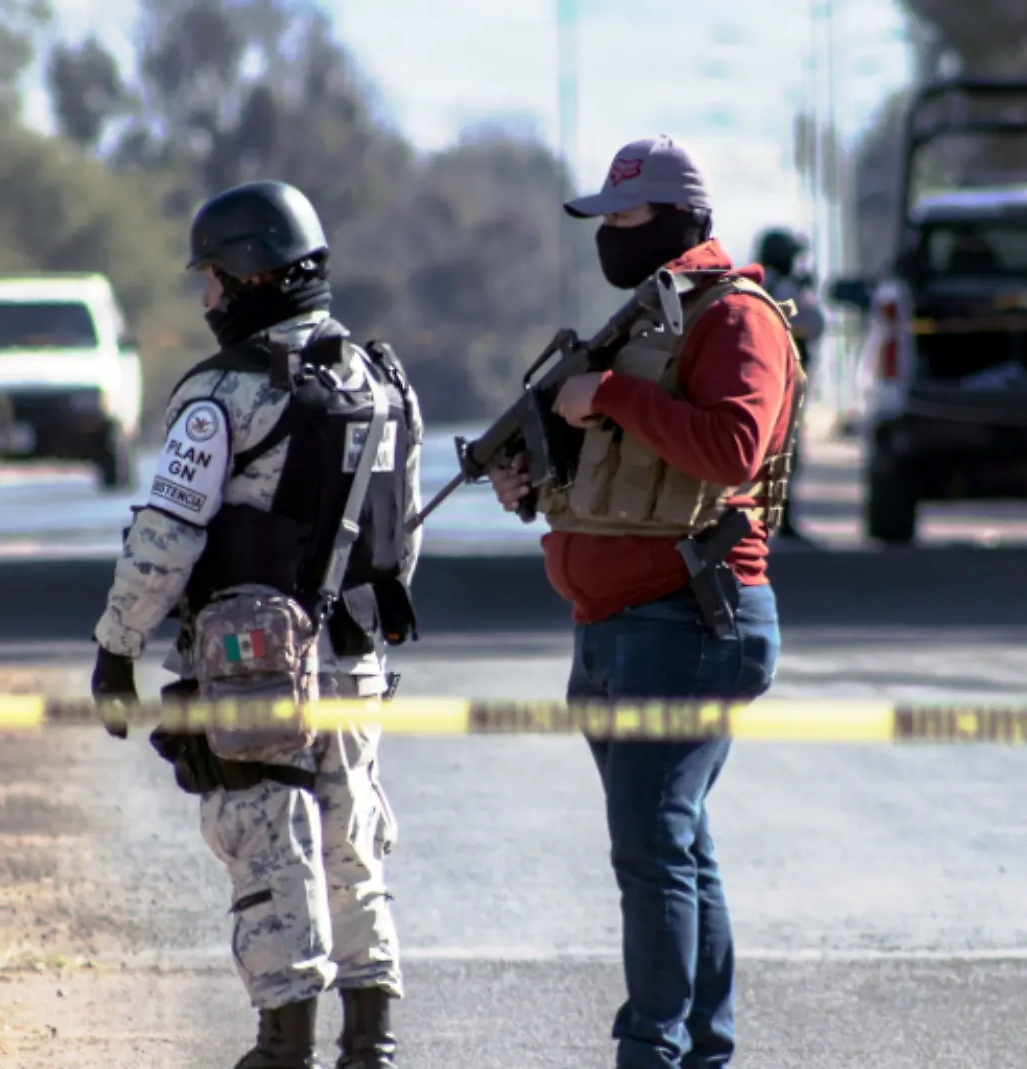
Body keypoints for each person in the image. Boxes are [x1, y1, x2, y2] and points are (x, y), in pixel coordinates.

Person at [88, 179, 421, 1069]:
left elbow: (163, 539)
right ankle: (371, 1044)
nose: (205, 301)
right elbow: (401, 535)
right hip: (356, 655)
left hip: (252, 668)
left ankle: (283, 1046)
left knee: (273, 850)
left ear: (247, 277)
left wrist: (116, 647)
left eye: (211, 281)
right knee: (353, 842)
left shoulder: (219, 397)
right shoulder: (381, 378)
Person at [489, 134, 804, 1069]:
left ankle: (654, 1052)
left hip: (689, 617)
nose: (609, 237)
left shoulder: (735, 319)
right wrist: (534, 484)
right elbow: (627, 473)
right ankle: (702, 1048)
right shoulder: (652, 319)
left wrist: (613, 395)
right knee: (677, 848)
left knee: (654, 852)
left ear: (676, 220)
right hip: (618, 626)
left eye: (624, 219)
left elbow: (732, 450)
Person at [752, 228, 826, 541]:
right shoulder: (777, 286)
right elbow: (812, 322)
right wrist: (804, 293)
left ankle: (777, 518)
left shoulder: (760, 282)